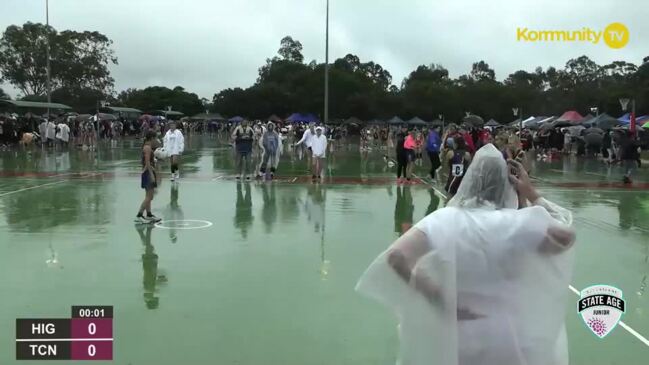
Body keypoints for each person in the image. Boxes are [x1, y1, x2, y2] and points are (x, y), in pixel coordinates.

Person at [356, 144, 576, 365]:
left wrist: (434, 293)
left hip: (459, 332)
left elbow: (396, 257)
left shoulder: (444, 219)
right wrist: (531, 194)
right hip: (510, 335)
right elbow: (565, 237)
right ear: (507, 184)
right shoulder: (521, 224)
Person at [135, 131, 162, 223]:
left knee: (149, 196)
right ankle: (139, 215)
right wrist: (151, 174)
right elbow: (147, 162)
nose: (156, 140)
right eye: (155, 138)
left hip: (149, 171)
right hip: (148, 173)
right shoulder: (147, 148)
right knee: (149, 197)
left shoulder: (149, 147)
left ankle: (149, 214)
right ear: (152, 138)